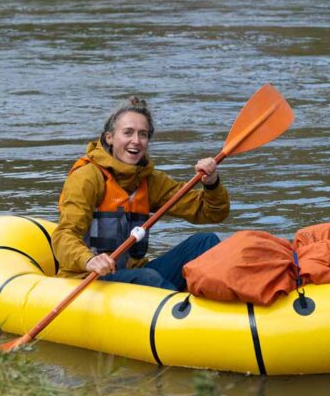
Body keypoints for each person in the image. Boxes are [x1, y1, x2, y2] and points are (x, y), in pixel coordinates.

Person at [52, 96, 228, 291]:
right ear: (109, 137)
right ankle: (184, 315)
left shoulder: (149, 180)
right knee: (148, 277)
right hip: (90, 279)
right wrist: (89, 260)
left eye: (142, 134)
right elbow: (64, 235)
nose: (135, 141)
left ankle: (216, 304)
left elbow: (211, 212)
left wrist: (211, 183)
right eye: (128, 133)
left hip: (132, 273)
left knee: (205, 241)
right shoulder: (87, 178)